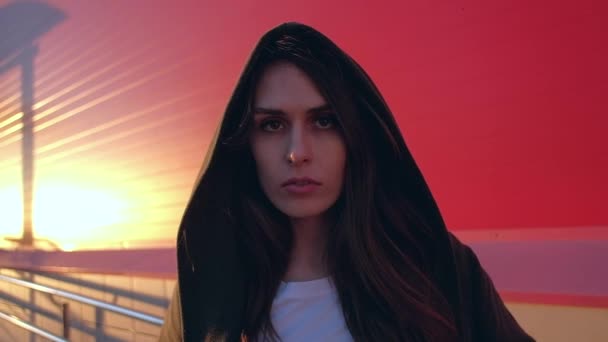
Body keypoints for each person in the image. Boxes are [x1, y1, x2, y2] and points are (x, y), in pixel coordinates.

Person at [159, 22, 535, 342]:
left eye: (324, 121)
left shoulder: (435, 264)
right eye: (272, 125)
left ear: (355, 137)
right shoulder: (210, 277)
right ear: (245, 144)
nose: (298, 153)